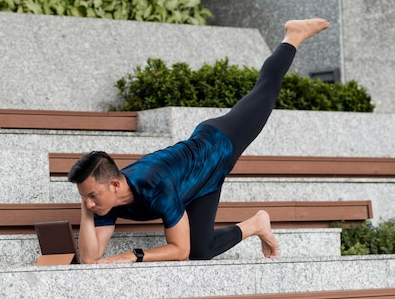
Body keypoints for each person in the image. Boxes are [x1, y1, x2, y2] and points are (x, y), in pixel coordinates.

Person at [68, 17, 330, 264]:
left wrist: (133, 255)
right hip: (198, 182)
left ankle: (292, 36)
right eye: (86, 197)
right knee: (201, 251)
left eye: (93, 196)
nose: (91, 203)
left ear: (114, 184)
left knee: (265, 91)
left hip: (218, 141)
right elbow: (91, 258)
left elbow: (179, 250)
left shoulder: (155, 186)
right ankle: (256, 224)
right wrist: (86, 207)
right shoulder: (106, 203)